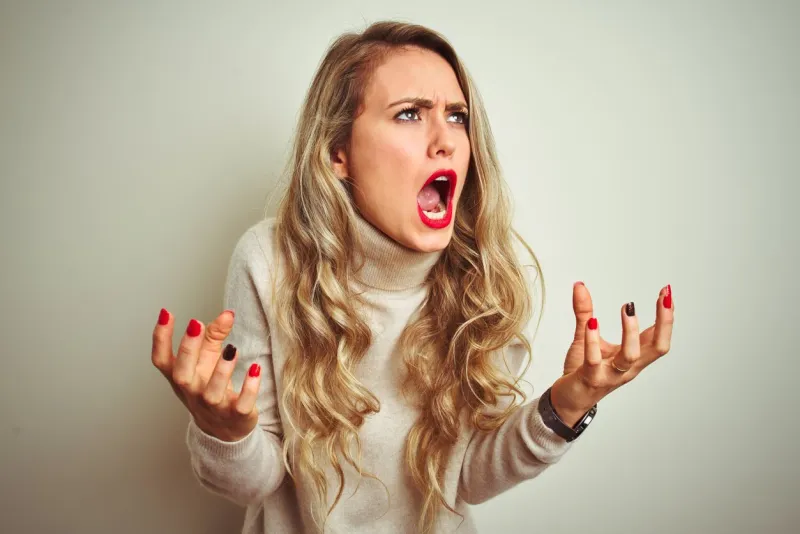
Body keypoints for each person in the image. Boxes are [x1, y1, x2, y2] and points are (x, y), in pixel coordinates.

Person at [151, 20, 674, 534]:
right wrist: (225, 429)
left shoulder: (482, 276)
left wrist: (568, 404)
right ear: (339, 155)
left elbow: (465, 477)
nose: (445, 139)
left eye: (456, 116)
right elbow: (254, 481)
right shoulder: (269, 261)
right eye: (408, 115)